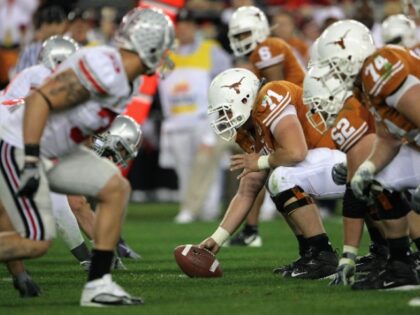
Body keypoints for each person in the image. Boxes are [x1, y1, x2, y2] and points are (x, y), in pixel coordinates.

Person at [0, 7, 174, 306]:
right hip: (19, 141)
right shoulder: (105, 69)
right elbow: (39, 101)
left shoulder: (127, 79)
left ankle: (99, 285)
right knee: (36, 243)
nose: (164, 57)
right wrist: (30, 159)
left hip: (53, 149)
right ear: (149, 45)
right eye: (163, 48)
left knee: (115, 187)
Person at [199, 68, 346, 280]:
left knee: (281, 177)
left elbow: (296, 151)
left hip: (344, 161)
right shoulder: (247, 130)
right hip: (324, 165)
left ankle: (323, 255)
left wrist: (261, 161)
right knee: (275, 180)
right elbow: (247, 191)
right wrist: (217, 238)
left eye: (225, 110)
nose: (224, 118)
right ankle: (310, 253)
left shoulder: (270, 96)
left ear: (242, 97)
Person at [316, 19, 420, 292]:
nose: (332, 74)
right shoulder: (365, 86)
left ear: (350, 55)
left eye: (334, 65)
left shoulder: (379, 68)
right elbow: (388, 138)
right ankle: (401, 267)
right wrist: (367, 169)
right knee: (379, 179)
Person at [225, 5, 306, 247]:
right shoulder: (261, 51)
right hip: (290, 113)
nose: (242, 40)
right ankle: (252, 229)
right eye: (238, 35)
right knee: (261, 171)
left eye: (245, 34)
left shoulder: (267, 48)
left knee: (264, 170)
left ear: (259, 30)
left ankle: (254, 230)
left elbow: (273, 89)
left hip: (293, 114)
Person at [158, 8, 232, 223]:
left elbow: (224, 86)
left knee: (208, 165)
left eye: (187, 25)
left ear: (194, 27)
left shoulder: (211, 50)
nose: (183, 30)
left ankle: (208, 210)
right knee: (184, 169)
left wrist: (217, 124)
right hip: (176, 121)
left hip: (204, 120)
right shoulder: (167, 55)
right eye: (179, 26)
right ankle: (188, 208)